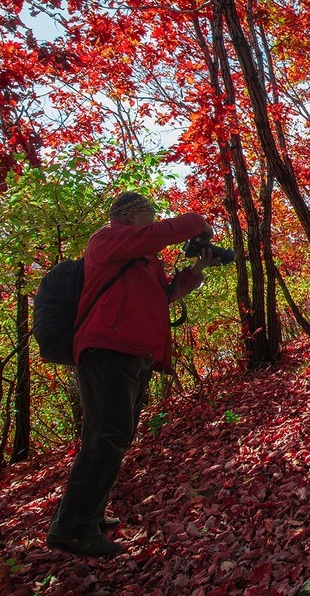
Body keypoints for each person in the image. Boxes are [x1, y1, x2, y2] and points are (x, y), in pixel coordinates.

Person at [46, 192, 216, 557]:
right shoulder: (107, 239)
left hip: (136, 354)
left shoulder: (144, 258)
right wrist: (196, 221)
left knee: (112, 437)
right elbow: (156, 235)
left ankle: (85, 516)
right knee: (106, 437)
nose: (153, 219)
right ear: (130, 215)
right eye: (149, 213)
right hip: (108, 350)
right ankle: (72, 528)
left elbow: (160, 298)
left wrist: (193, 274)